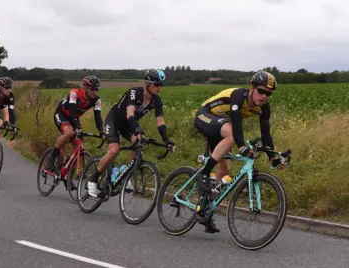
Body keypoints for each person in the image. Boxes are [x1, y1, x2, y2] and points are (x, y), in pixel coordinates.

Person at [193, 70, 286, 234]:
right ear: (252, 87)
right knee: (231, 133)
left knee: (225, 169)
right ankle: (204, 172)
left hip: (221, 125)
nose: (264, 96)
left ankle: (206, 209)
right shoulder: (238, 96)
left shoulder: (264, 108)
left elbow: (266, 134)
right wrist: (242, 147)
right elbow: (236, 125)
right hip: (205, 116)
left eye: (268, 94)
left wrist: (272, 156)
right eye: (261, 91)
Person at [87, 69, 174, 198]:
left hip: (128, 124)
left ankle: (125, 174)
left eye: (161, 85)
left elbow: (160, 122)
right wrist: (138, 128)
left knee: (138, 141)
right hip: (114, 120)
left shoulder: (157, 100)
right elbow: (130, 114)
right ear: (148, 83)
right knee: (114, 150)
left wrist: (166, 140)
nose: (159, 87)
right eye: (156, 84)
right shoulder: (134, 93)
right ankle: (92, 181)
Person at [45, 76, 104, 182]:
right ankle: (52, 157)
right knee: (69, 133)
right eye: (92, 89)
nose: (94, 92)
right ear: (85, 87)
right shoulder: (75, 93)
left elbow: (98, 117)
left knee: (79, 144)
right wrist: (78, 127)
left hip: (74, 118)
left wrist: (101, 132)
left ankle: (67, 172)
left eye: (96, 89)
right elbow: (72, 112)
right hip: (62, 113)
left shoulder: (96, 100)